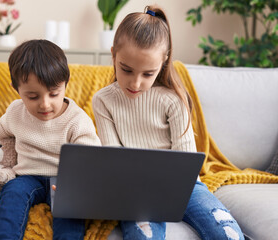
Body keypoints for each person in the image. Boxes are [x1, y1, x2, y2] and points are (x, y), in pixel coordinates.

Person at [92, 5, 244, 240]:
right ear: (113, 54)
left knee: (228, 233)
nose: (135, 82)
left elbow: (185, 164)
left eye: (147, 74)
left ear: (163, 63)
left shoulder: (173, 99)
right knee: (143, 235)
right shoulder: (103, 100)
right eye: (126, 70)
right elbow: (114, 158)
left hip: (184, 188)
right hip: (136, 191)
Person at [0, 39, 100, 240]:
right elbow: (0, 128)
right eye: (33, 97)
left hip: (64, 180)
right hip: (27, 177)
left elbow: (90, 157)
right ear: (17, 90)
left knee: (70, 216)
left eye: (54, 94)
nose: (45, 104)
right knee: (11, 195)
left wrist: (76, 183)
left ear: (65, 85)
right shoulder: (15, 112)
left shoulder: (77, 120)